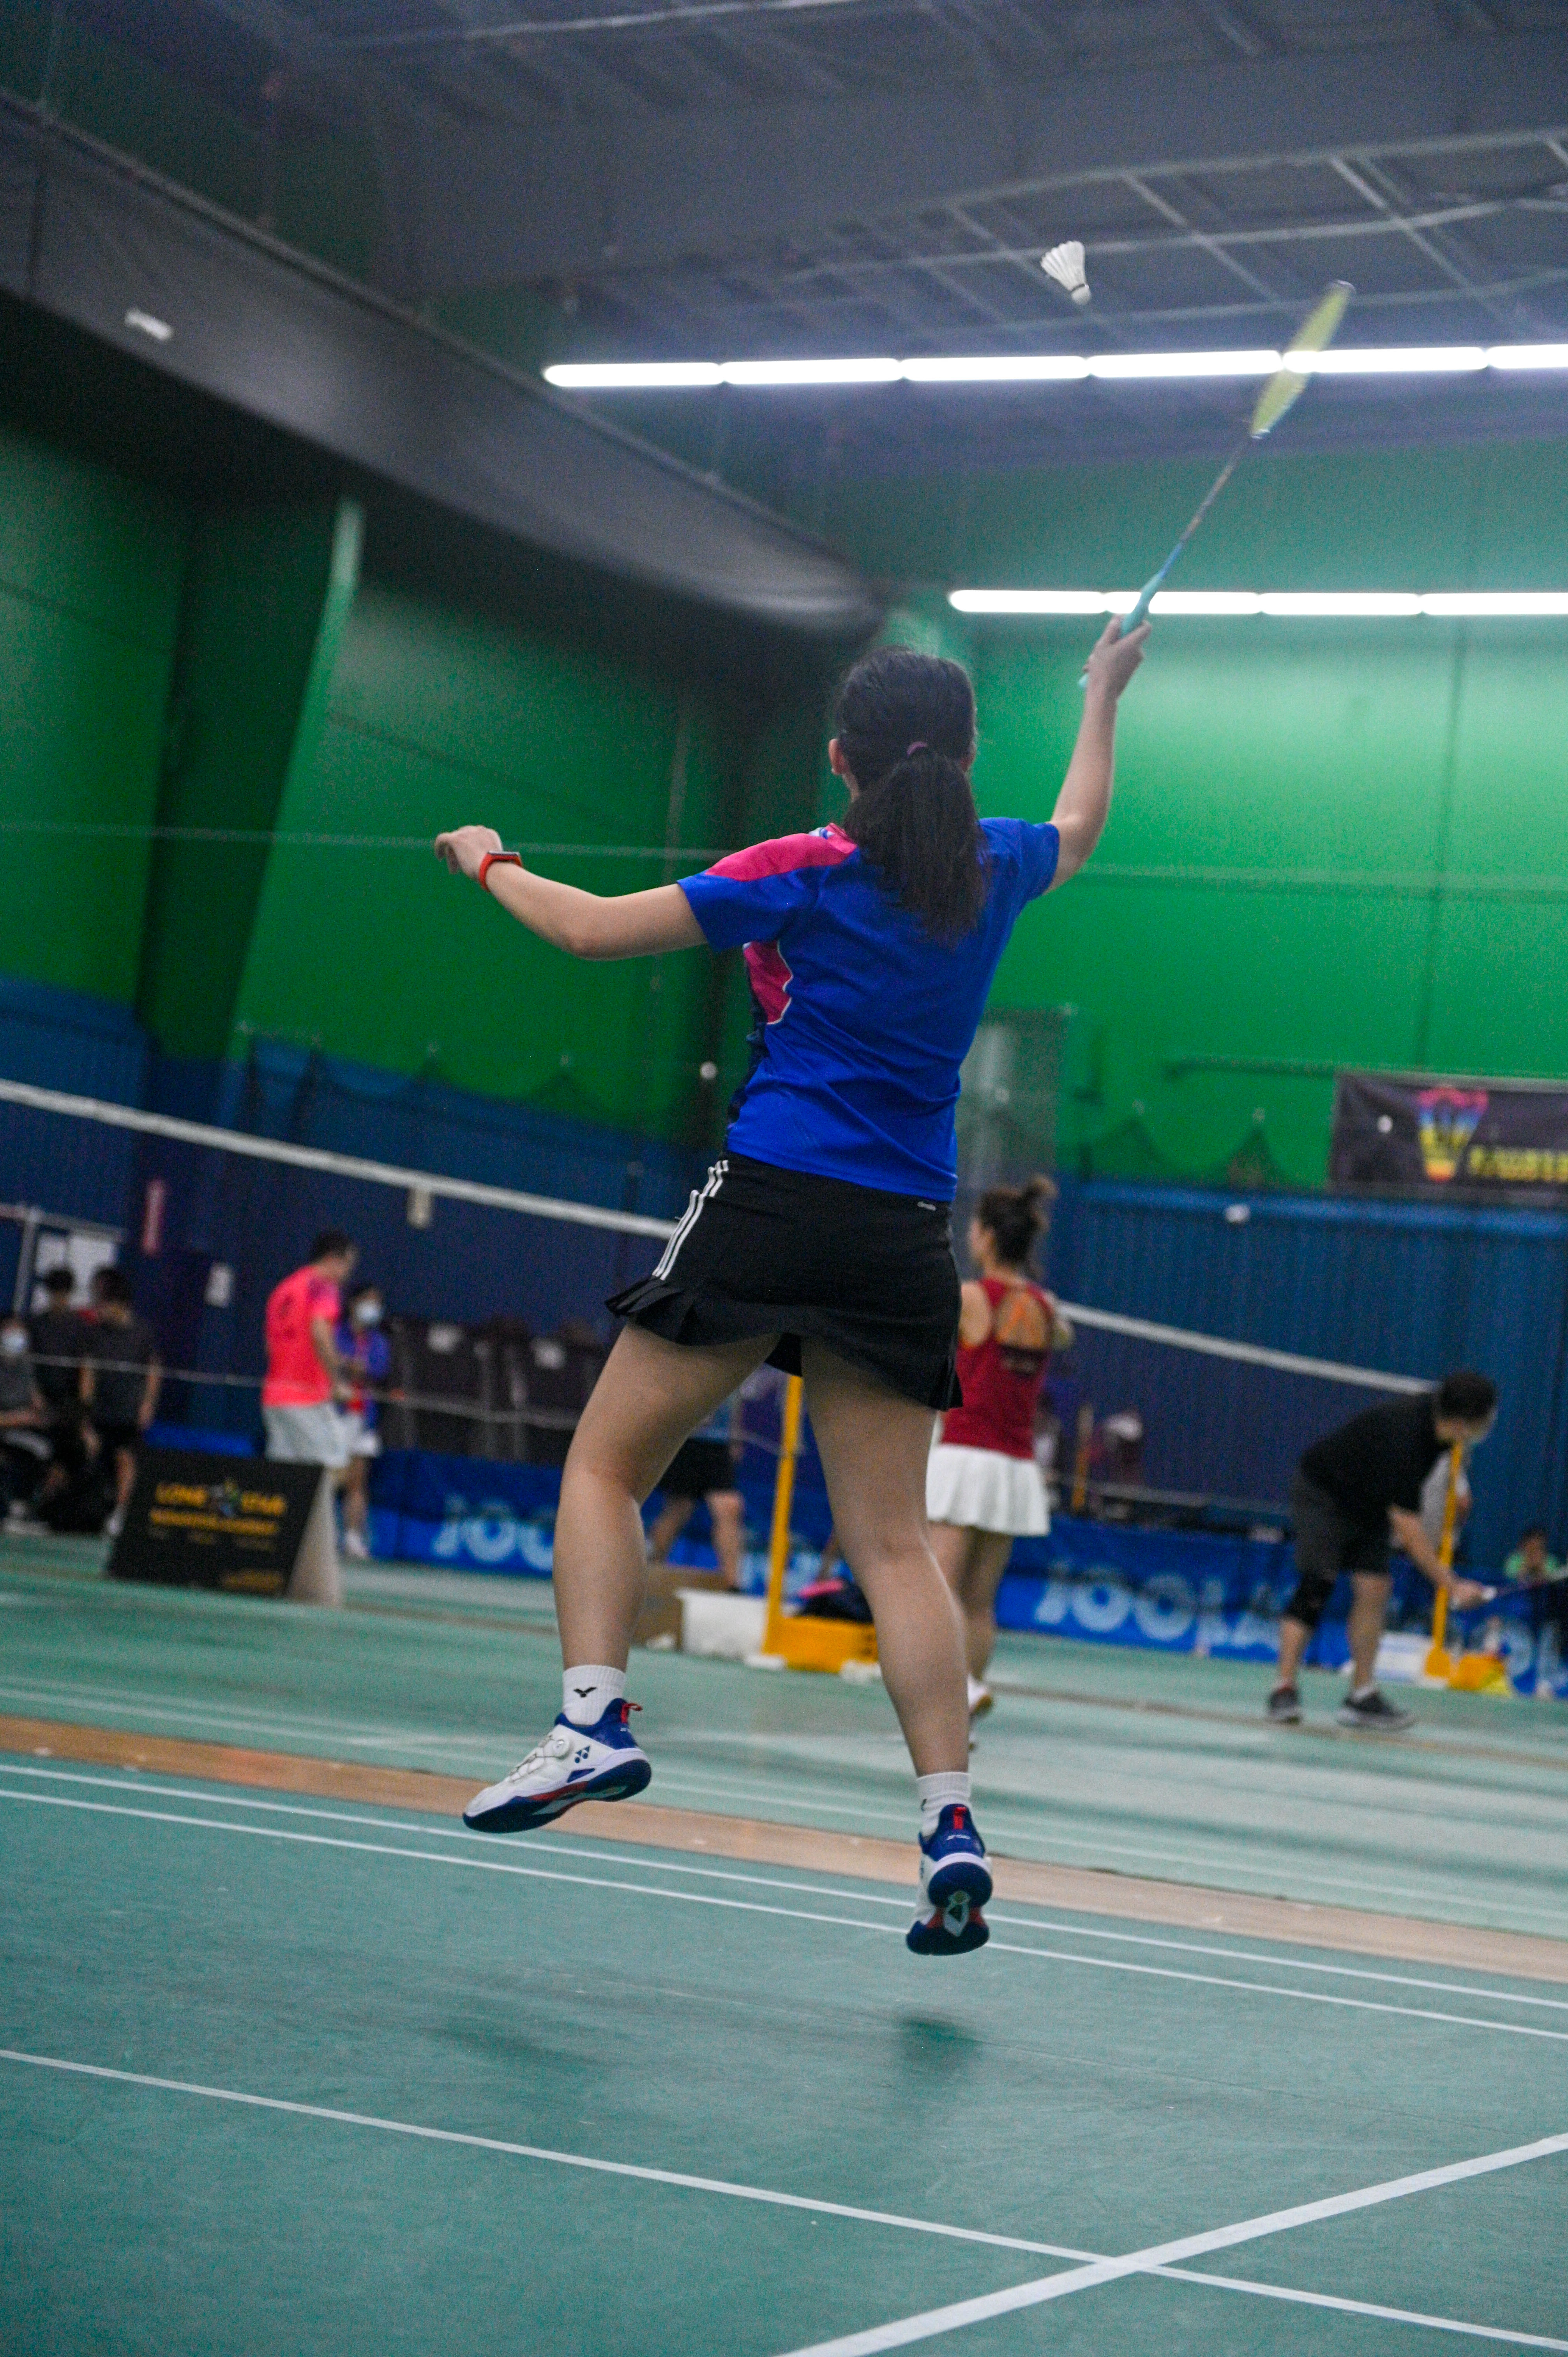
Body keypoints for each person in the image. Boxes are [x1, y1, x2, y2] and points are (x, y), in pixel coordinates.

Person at [436, 616, 1148, 1959]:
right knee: (895, 1547)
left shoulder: (801, 869)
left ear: (838, 759)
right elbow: (1081, 821)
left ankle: (590, 1720)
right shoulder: (994, 865)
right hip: (901, 1237)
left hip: (770, 1201)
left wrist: (489, 859)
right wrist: (1104, 691)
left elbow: (588, 931)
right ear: (965, 757)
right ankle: (949, 1820)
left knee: (605, 1467)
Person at [1267, 1371, 1497, 1732]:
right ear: (1462, 1422)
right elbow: (1409, 1531)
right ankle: (1284, 1689)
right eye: (1486, 1417)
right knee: (1318, 1584)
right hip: (1324, 1492)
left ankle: (1361, 1696)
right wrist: (1452, 1586)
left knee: (1376, 1587)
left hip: (1370, 1501)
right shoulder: (1407, 1438)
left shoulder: (1440, 1433)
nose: (1489, 1424)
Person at [927, 1177, 1072, 1720]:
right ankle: (963, 1709)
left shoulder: (971, 1298)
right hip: (1014, 1467)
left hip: (966, 1456)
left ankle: (958, 1694)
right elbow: (1064, 1335)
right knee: (979, 1603)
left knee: (940, 1590)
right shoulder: (1045, 1308)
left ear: (987, 1237)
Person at [261, 1231, 357, 1472]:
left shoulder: (285, 1288)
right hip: (308, 1400)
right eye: (348, 1265)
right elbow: (320, 1335)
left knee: (285, 1478)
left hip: (274, 1397)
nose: (348, 1273)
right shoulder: (324, 1286)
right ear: (332, 1259)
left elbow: (269, 1344)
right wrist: (338, 1381)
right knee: (334, 1467)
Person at [80, 1267, 161, 1538]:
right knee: (93, 1459)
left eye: (103, 1302)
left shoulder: (142, 1333)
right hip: (100, 1412)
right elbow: (88, 1373)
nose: (98, 1308)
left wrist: (148, 1404)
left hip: (128, 1413)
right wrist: (85, 1415)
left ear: (118, 1303)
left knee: (126, 1459)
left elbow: (153, 1370)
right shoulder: (95, 1334)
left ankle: (122, 1513)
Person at [647, 1392, 745, 1590]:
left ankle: (733, 1585)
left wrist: (735, 1437)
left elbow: (735, 1399)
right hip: (687, 1439)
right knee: (679, 1509)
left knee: (729, 1507)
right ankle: (651, 1568)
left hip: (718, 1443)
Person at [335, 1281, 391, 1560]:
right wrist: (347, 1365)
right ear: (353, 1303)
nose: (374, 1307)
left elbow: (378, 1371)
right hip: (334, 1415)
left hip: (364, 1418)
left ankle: (353, 1539)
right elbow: (328, 1362)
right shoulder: (336, 1332)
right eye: (368, 1300)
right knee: (330, 1480)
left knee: (357, 1481)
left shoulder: (378, 1342)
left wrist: (355, 1368)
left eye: (377, 1302)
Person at [0, 1313, 51, 1525]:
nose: (17, 1336)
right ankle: (10, 1508)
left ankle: (29, 1508)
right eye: (11, 1331)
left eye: (20, 1331)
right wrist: (20, 1418)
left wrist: (39, 1411)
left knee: (47, 1448)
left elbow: (37, 1404)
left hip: (22, 1431)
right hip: (7, 1430)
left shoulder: (26, 1366)